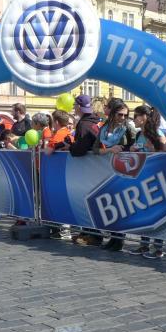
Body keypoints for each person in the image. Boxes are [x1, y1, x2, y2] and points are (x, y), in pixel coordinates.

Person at [91, 98, 135, 251]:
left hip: (122, 169)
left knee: (120, 204)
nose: (123, 118)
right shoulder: (104, 127)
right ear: (112, 113)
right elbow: (95, 149)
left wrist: (124, 149)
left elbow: (134, 145)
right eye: (120, 114)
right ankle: (112, 238)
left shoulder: (127, 127)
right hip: (105, 170)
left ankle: (119, 240)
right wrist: (109, 150)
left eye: (125, 115)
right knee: (109, 205)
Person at [128, 105, 166, 258]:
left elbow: (163, 152)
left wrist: (150, 148)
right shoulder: (139, 134)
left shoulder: (157, 133)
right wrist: (133, 149)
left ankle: (158, 248)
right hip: (142, 176)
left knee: (157, 213)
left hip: (156, 177)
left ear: (144, 117)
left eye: (135, 116)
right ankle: (143, 245)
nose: (133, 119)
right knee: (144, 212)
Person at [69, 95, 103, 246]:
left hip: (87, 169)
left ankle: (93, 235)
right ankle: (87, 232)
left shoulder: (84, 124)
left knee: (87, 201)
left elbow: (80, 149)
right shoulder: (95, 121)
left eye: (75, 106)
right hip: (97, 168)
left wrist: (70, 147)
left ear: (78, 107)